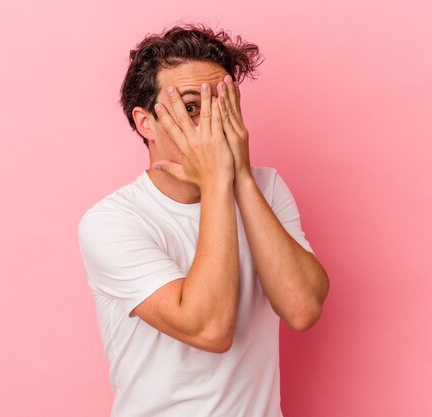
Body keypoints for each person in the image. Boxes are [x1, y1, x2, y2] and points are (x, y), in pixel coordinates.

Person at [78, 23, 330, 417]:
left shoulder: (266, 186)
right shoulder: (112, 222)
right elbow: (210, 329)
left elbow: (302, 309)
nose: (212, 126)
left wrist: (241, 178)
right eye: (192, 108)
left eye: (223, 105)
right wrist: (216, 183)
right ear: (146, 123)